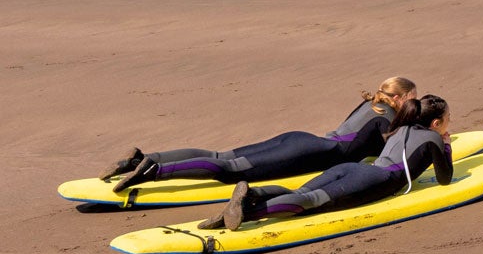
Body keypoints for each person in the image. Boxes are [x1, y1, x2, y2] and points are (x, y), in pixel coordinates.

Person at [104, 77, 418, 193]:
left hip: (300, 139)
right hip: (309, 151)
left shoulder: (371, 104)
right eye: (412, 98)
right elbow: (395, 150)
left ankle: (143, 158)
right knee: (230, 171)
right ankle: (154, 171)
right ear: (402, 99)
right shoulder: (388, 117)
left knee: (221, 156)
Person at [201, 94, 454, 231]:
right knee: (311, 202)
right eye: (447, 118)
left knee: (301, 193)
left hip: (356, 169)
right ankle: (246, 212)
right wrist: (447, 146)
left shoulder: (400, 128)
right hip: (376, 179)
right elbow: (445, 179)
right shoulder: (433, 138)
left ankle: (253, 193)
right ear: (435, 123)